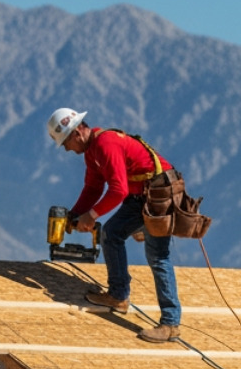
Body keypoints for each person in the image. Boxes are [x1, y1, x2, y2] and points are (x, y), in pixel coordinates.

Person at [46, 107, 183, 343]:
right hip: (140, 195)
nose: (67, 149)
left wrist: (91, 215)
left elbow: (118, 190)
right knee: (111, 234)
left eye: (66, 142)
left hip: (160, 194)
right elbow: (93, 188)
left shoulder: (106, 144)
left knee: (157, 256)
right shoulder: (92, 151)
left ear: (77, 133)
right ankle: (118, 296)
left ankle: (170, 324)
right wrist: (76, 214)